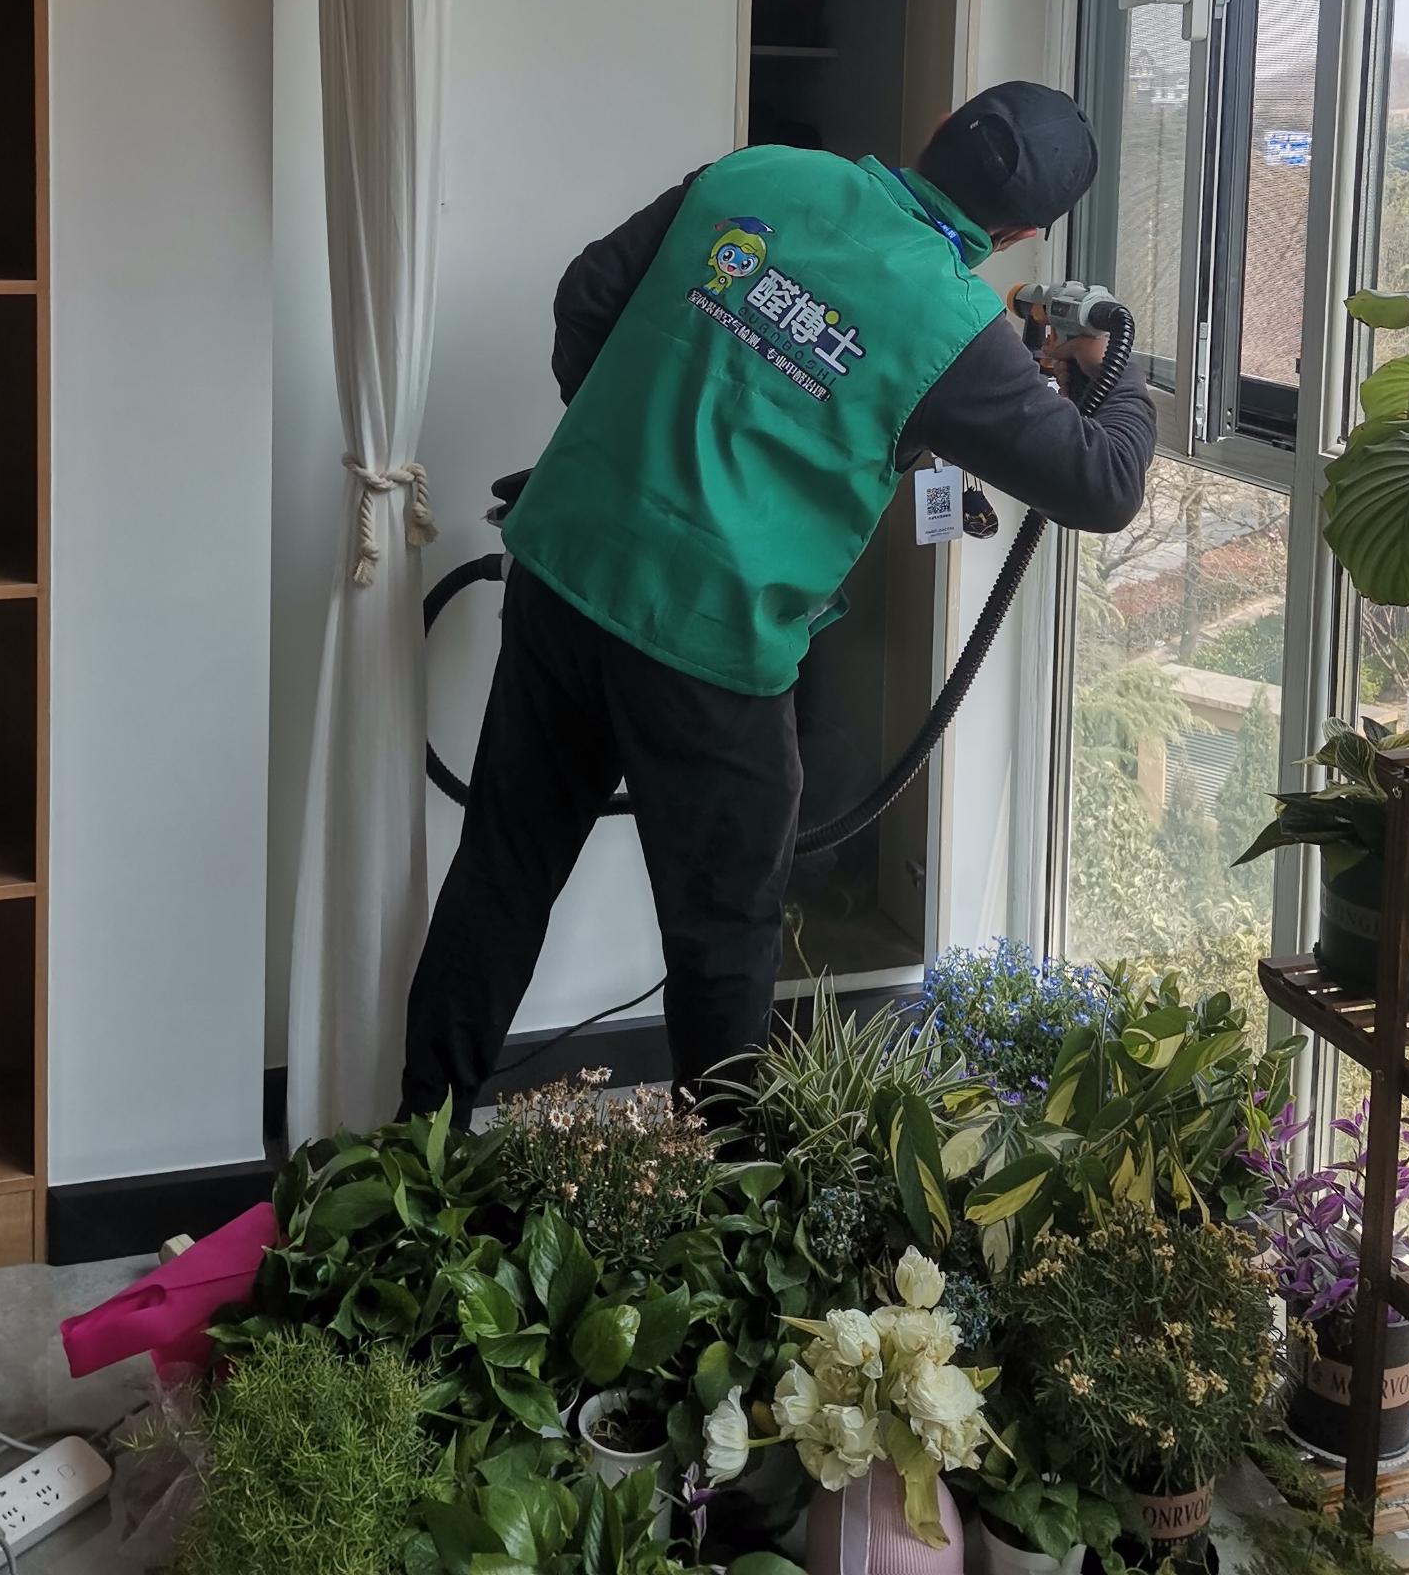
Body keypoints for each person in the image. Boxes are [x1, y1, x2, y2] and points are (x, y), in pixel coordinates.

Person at [400, 81, 1155, 1123]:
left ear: (936, 128)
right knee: (722, 936)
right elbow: (1104, 485)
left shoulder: (758, 175)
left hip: (567, 566)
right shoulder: (954, 327)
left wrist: (626, 455)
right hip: (711, 643)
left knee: (504, 868)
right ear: (1023, 233)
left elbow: (588, 293)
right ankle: (725, 1192)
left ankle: (411, 1148)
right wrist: (1119, 371)